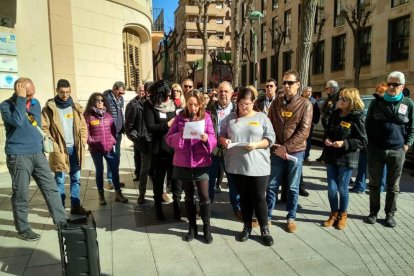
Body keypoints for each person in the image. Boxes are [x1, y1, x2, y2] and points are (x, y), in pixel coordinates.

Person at [0, 78, 67, 241]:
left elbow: (34, 124)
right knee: (21, 193)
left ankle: (62, 222)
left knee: (51, 188)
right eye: (27, 94)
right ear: (18, 90)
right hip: (18, 155)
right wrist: (21, 99)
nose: (31, 97)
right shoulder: (5, 105)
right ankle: (23, 229)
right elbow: (17, 121)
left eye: (32, 94)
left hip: (38, 154)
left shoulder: (35, 103)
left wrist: (27, 99)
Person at [220, 87, 276, 246]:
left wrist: (257, 145)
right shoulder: (230, 118)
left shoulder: (262, 117)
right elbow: (221, 136)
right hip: (237, 165)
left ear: (253, 103)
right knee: (244, 198)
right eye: (242, 104)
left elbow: (270, 139)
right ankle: (247, 227)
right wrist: (224, 141)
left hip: (258, 165)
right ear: (237, 103)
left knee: (259, 197)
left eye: (248, 104)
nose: (245, 107)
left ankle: (265, 229)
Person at [166, 90, 217, 243]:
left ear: (200, 104)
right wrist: (179, 136)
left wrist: (207, 138)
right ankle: (192, 228)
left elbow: (213, 136)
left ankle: (207, 229)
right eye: (190, 104)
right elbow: (168, 138)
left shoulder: (206, 117)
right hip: (184, 163)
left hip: (201, 162)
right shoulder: (180, 118)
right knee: (188, 197)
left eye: (196, 104)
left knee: (204, 196)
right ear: (186, 104)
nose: (193, 108)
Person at [365, 71, 414, 228]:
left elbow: (412, 127)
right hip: (376, 150)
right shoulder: (376, 102)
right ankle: (373, 212)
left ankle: (390, 214)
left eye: (396, 84)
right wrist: (371, 144)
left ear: (402, 86)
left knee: (393, 186)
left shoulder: (408, 103)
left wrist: (407, 145)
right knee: (374, 184)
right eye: (389, 84)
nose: (392, 87)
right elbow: (368, 124)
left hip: (397, 151)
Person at [266, 70, 312, 233]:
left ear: (298, 85)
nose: (286, 85)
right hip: (277, 150)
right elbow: (269, 124)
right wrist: (276, 146)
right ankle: (268, 216)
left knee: (293, 187)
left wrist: (287, 147)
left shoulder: (305, 104)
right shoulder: (276, 103)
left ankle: (291, 217)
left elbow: (304, 131)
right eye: (284, 82)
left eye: (290, 83)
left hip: (296, 152)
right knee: (271, 185)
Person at [41, 79, 90, 215]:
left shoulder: (76, 107)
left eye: (67, 92)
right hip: (59, 150)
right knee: (59, 181)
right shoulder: (49, 108)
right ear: (56, 90)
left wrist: (83, 141)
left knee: (76, 178)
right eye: (62, 92)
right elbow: (44, 128)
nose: (65, 95)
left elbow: (83, 127)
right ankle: (60, 210)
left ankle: (75, 206)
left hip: (75, 148)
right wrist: (53, 145)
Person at [322, 88, 367, 230]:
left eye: (343, 99)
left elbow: (363, 141)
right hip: (331, 156)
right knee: (331, 188)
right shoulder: (335, 114)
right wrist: (327, 139)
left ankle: (343, 214)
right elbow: (327, 132)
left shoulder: (357, 117)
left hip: (346, 158)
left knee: (342, 189)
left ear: (352, 102)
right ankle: (334, 213)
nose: (339, 101)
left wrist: (345, 143)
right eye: (340, 98)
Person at [143, 80, 181, 220]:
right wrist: (167, 125)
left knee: (176, 180)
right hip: (159, 150)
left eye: (169, 95)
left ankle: (177, 207)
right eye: (165, 95)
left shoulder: (174, 104)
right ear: (159, 94)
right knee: (159, 181)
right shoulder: (149, 105)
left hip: (174, 150)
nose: (168, 98)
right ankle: (158, 208)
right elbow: (150, 127)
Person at [84, 93, 128, 205]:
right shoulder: (88, 116)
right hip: (96, 149)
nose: (100, 102)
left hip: (108, 147)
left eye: (102, 100)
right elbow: (85, 133)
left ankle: (118, 193)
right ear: (92, 101)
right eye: (97, 100)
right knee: (99, 171)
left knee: (114, 169)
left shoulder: (108, 115)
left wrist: (113, 140)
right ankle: (101, 196)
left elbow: (113, 130)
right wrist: (92, 142)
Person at [206, 81, 241, 219]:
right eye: (221, 91)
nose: (223, 94)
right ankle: (206, 206)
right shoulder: (210, 108)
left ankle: (237, 207)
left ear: (232, 93)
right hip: (213, 150)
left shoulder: (238, 110)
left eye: (226, 91)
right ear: (217, 93)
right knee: (209, 180)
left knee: (233, 181)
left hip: (231, 151)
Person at [350, 83, 387, 194]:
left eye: (380, 93)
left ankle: (379, 188)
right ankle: (359, 186)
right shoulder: (373, 104)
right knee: (362, 164)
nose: (377, 95)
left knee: (381, 166)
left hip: (381, 142)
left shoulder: (388, 106)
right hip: (367, 139)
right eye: (377, 92)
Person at [125, 82, 153, 205]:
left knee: (160, 169)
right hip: (144, 143)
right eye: (150, 91)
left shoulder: (159, 105)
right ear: (145, 92)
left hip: (156, 143)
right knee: (144, 170)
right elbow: (128, 127)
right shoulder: (136, 106)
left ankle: (162, 192)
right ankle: (142, 194)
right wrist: (137, 141)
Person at [103, 81, 126, 189]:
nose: (121, 95)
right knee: (111, 156)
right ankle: (110, 180)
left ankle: (116, 178)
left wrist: (124, 126)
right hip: (109, 132)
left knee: (118, 156)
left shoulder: (121, 99)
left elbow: (122, 113)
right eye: (120, 93)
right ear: (114, 89)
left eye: (123, 93)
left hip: (119, 131)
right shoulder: (106, 98)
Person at [316, 80, 340, 163]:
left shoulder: (336, 97)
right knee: (326, 141)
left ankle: (326, 158)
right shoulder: (330, 97)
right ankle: (324, 156)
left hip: (332, 124)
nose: (326, 90)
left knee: (329, 141)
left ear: (333, 88)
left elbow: (331, 111)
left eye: (327, 88)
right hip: (327, 124)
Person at [302, 86, 320, 163]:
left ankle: (306, 156)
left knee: (308, 141)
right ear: (303, 92)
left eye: (310, 91)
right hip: (300, 124)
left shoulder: (313, 101)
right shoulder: (299, 99)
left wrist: (314, 121)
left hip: (309, 125)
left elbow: (317, 113)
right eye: (307, 91)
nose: (309, 93)